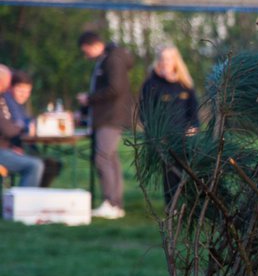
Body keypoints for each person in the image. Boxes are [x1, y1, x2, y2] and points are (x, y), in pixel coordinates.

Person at [77, 31, 134, 219]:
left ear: (93, 45)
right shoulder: (108, 59)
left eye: (86, 51)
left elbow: (115, 89)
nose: (86, 56)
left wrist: (89, 98)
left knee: (102, 158)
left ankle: (111, 202)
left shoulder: (112, 60)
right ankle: (115, 205)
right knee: (110, 158)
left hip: (111, 118)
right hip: (109, 117)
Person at [138, 46, 199, 204]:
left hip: (185, 137)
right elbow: (144, 112)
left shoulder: (185, 83)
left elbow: (193, 110)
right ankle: (172, 207)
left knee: (188, 171)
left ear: (175, 61)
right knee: (170, 173)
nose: (165, 62)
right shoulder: (151, 84)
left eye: (169, 58)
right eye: (162, 58)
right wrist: (155, 133)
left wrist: (194, 127)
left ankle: (189, 205)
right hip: (164, 138)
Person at [6, 71, 62, 187]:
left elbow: (28, 122)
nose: (24, 95)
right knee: (39, 165)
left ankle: (36, 197)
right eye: (20, 90)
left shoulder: (20, 105)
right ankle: (26, 201)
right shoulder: (8, 102)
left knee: (52, 164)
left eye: (27, 91)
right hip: (11, 148)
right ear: (11, 87)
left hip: (22, 146)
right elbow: (16, 126)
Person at [0, 64, 43, 188]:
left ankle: (33, 200)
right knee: (34, 165)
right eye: (7, 83)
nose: (7, 87)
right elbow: (7, 129)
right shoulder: (4, 99)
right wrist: (26, 129)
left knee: (46, 163)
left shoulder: (3, 98)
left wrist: (14, 144)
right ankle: (22, 205)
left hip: (5, 148)